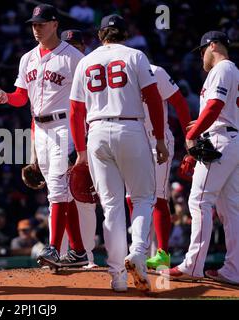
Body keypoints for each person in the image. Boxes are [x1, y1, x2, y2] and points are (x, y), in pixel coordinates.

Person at [70, 14, 168, 292]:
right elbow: (152, 98)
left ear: (100, 36)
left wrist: (80, 151)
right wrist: (160, 138)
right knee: (143, 198)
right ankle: (137, 250)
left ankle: (118, 279)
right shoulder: (135, 55)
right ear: (124, 34)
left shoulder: (86, 61)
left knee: (111, 207)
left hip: (96, 132)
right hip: (130, 128)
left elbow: (76, 111)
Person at [0, 4, 89, 269]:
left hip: (64, 126)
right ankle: (78, 252)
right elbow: (22, 97)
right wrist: (5, 97)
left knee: (57, 189)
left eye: (41, 24)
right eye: (34, 24)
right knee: (60, 194)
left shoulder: (73, 58)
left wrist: (82, 141)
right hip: (40, 129)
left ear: (55, 24)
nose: (36, 29)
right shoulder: (27, 58)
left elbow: (86, 101)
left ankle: (55, 249)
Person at [161, 31, 239, 285]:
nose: (201, 57)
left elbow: (216, 106)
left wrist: (193, 134)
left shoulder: (223, 68)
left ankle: (193, 265)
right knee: (230, 209)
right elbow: (220, 110)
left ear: (213, 45)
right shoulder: (231, 70)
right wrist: (203, 126)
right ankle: (234, 270)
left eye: (202, 50)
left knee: (199, 201)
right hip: (230, 138)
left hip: (221, 141)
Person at [125, 63, 191, 269]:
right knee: (131, 198)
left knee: (159, 196)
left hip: (156, 141)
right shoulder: (115, 71)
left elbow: (179, 103)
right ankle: (138, 250)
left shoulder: (156, 71)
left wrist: (191, 139)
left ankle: (163, 253)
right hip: (132, 142)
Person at [60, 28, 98, 270]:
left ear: (84, 48)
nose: (73, 50)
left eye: (77, 46)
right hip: (61, 139)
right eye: (68, 46)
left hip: (87, 140)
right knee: (59, 197)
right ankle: (61, 253)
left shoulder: (92, 72)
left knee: (86, 200)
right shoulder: (55, 72)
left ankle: (87, 256)